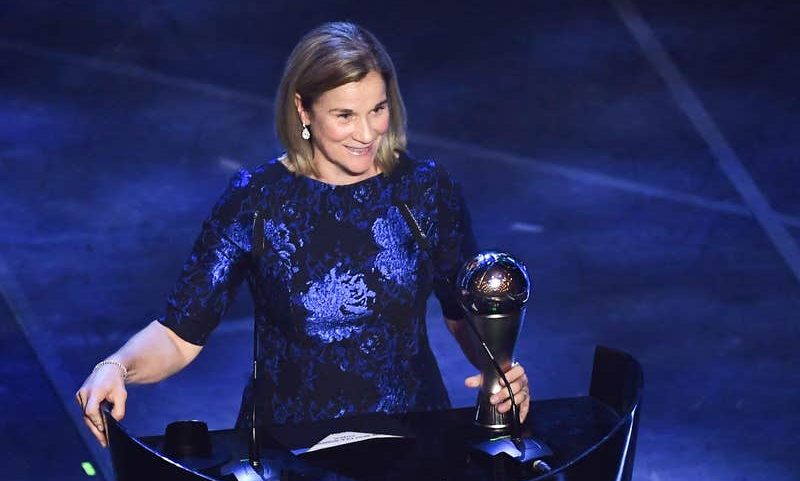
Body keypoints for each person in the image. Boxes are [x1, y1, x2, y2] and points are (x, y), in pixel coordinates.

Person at [76, 21, 530, 447]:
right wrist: (117, 366)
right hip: (291, 452)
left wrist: (501, 371)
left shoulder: (425, 190)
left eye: (378, 109)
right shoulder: (257, 200)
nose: (367, 133)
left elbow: (464, 314)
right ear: (302, 110)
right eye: (345, 115)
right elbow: (179, 335)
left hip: (411, 442)